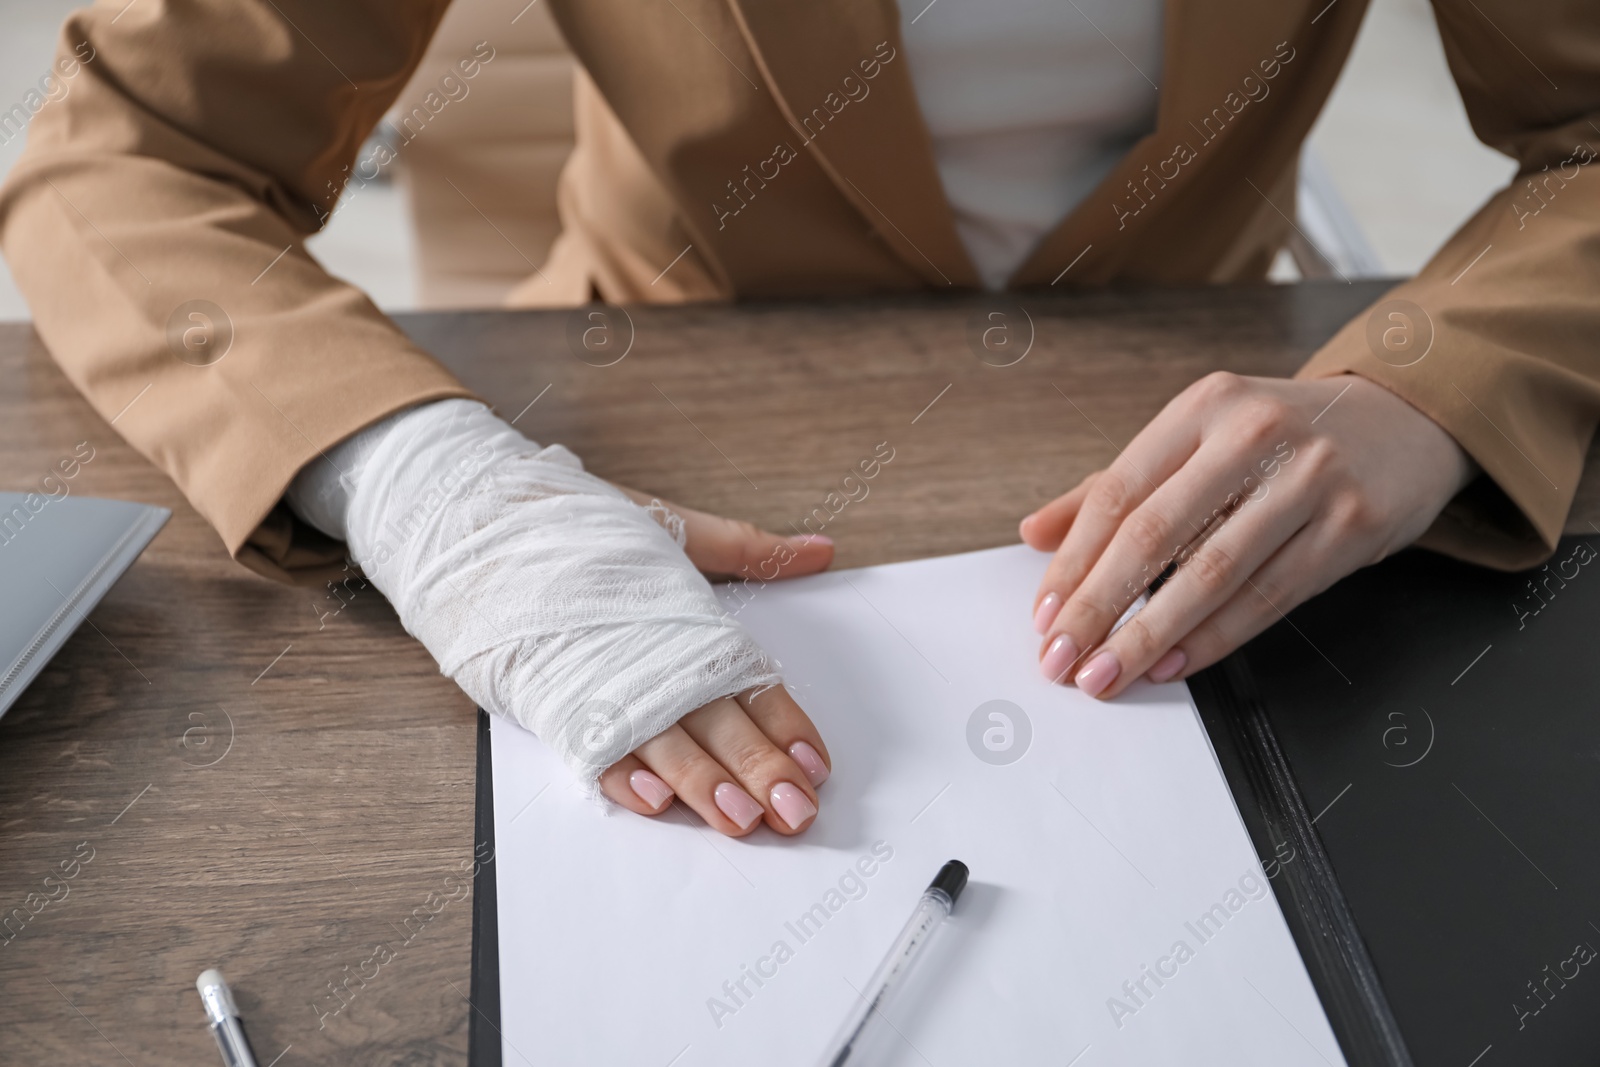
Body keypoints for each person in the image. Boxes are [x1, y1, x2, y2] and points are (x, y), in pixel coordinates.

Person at [2, 0, 1596, 840]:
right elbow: (126, 153)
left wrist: (1426, 385)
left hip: (1176, 449)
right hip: (649, 430)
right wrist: (434, 490)